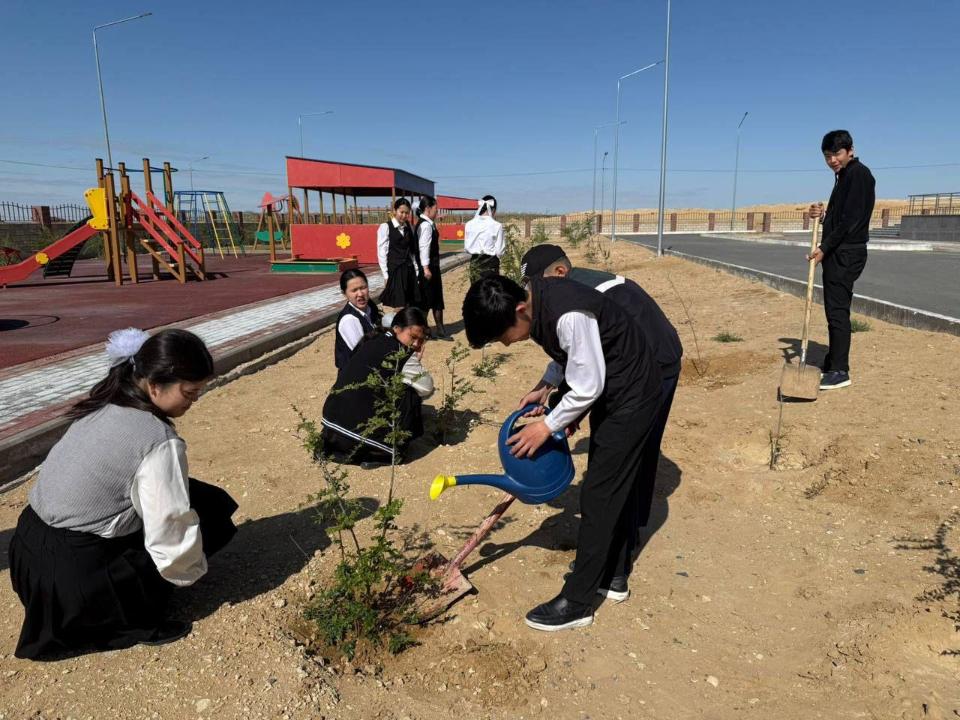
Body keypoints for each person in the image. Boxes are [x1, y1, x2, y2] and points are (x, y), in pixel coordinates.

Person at [8, 328, 237, 659]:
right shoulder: (157, 439)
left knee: (195, 495)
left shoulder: (104, 402)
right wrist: (187, 570)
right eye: (189, 393)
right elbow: (169, 526)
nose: (194, 401)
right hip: (72, 581)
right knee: (206, 516)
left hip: (29, 555)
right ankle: (132, 618)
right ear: (155, 385)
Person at [462, 275, 663, 631]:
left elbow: (587, 385)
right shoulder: (541, 301)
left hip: (631, 392)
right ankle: (613, 576)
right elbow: (571, 352)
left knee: (599, 494)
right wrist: (548, 385)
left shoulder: (565, 312)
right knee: (612, 484)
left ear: (520, 310)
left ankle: (579, 601)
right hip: (618, 384)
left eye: (501, 336)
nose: (505, 345)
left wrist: (546, 426)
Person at [519, 243, 682, 584]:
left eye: (540, 286)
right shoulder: (572, 292)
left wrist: (557, 418)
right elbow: (576, 353)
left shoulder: (583, 296)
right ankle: (620, 543)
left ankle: (620, 554)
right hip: (628, 371)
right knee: (622, 464)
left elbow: (591, 367)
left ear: (559, 274)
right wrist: (547, 385)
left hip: (656, 366)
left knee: (631, 460)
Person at [321, 307, 434, 467]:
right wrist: (416, 361)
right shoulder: (400, 354)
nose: (416, 344)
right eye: (413, 337)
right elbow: (427, 387)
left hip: (330, 429)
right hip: (354, 439)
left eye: (421, 340)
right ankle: (389, 452)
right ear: (396, 329)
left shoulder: (372, 340)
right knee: (411, 392)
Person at [806, 129, 875, 391]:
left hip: (847, 253)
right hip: (840, 250)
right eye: (827, 155)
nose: (832, 159)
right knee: (833, 309)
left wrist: (824, 248)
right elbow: (839, 218)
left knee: (837, 311)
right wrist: (822, 216)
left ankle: (839, 370)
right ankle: (832, 361)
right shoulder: (843, 176)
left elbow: (851, 221)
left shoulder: (859, 175)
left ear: (850, 150)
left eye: (836, 153)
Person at [335, 268, 383, 372]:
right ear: (344, 294)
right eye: (354, 290)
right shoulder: (349, 320)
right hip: (356, 377)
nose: (360, 294)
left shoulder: (370, 307)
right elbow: (364, 355)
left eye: (363, 288)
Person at [377, 198, 422, 309]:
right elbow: (382, 252)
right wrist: (386, 275)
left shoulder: (409, 227)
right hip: (395, 270)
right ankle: (400, 325)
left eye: (407, 213)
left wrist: (416, 269)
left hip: (408, 269)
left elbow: (412, 251)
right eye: (401, 212)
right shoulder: (385, 227)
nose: (404, 215)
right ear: (395, 211)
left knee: (410, 301)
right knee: (398, 304)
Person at [415, 195, 449, 338]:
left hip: (431, 266)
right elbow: (423, 248)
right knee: (427, 300)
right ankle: (423, 330)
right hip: (429, 268)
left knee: (435, 299)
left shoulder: (428, 223)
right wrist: (426, 268)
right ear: (428, 209)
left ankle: (439, 330)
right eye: (436, 208)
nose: (437, 211)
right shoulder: (425, 226)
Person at [464, 194, 505, 278]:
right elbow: (500, 251)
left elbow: (467, 248)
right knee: (491, 290)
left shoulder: (469, 224)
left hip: (474, 262)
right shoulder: (497, 225)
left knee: (476, 289)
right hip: (491, 263)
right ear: (493, 210)